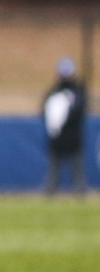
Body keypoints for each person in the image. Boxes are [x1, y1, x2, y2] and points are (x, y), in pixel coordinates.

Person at [43, 56, 88, 196]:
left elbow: (78, 111)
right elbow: (45, 110)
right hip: (59, 137)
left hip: (72, 137)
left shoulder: (77, 91)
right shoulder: (54, 92)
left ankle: (80, 191)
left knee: (76, 167)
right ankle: (50, 191)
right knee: (54, 168)